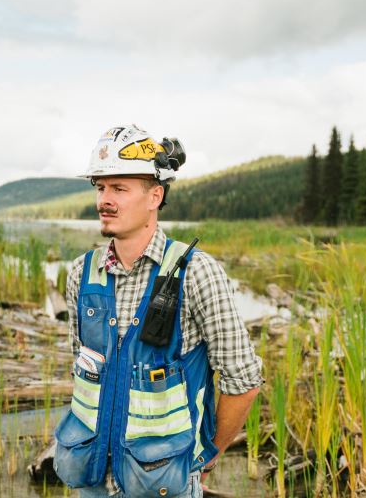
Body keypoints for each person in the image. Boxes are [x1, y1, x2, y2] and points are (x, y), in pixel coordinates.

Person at [53, 124, 263, 498]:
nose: (105, 200)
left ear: (155, 196)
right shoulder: (81, 274)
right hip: (91, 483)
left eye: (120, 188)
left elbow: (242, 380)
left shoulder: (196, 272)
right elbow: (82, 368)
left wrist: (208, 455)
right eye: (100, 187)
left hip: (165, 486)